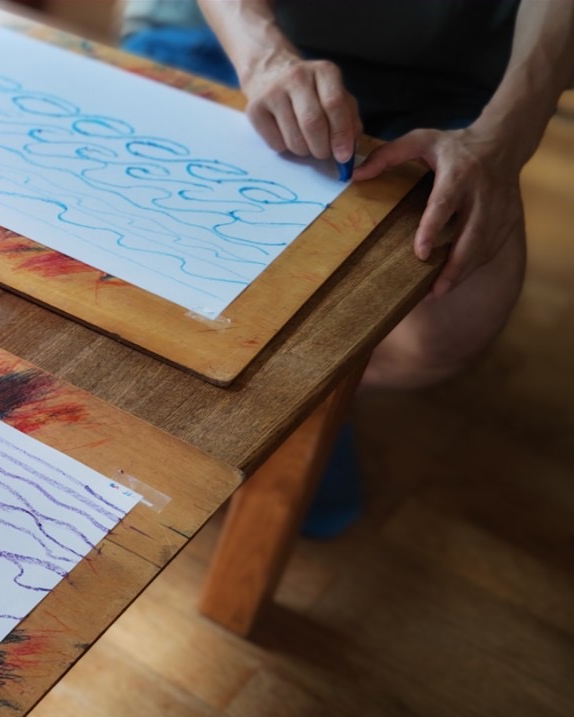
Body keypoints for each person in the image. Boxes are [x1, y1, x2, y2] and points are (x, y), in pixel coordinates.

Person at [121, 0, 574, 534]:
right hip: (219, 31)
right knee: (142, 255)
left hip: (456, 74)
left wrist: (505, 136)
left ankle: (293, 412)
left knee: (441, 330)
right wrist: (262, 55)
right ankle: (246, 420)